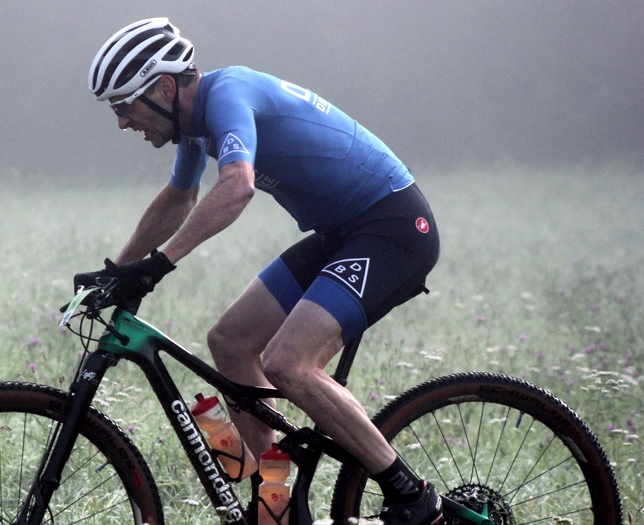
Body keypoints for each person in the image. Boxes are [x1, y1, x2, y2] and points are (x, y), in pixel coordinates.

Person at [82, 17, 443, 525]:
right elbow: (179, 199)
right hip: (341, 233)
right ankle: (272, 505)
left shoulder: (228, 94)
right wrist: (115, 272)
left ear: (164, 88)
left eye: (124, 106)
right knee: (230, 342)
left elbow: (237, 186)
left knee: (288, 364)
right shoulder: (194, 126)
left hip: (392, 228)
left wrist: (159, 264)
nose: (123, 122)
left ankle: (412, 496)